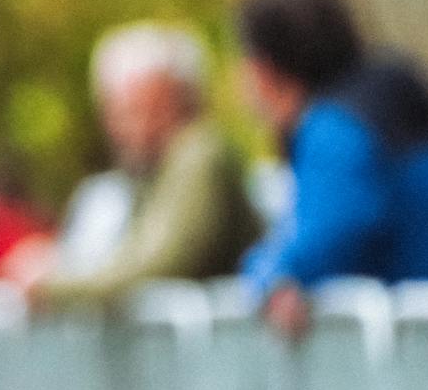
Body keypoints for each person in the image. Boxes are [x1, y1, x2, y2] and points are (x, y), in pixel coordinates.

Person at [235, 0, 428, 340]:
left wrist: (269, 273)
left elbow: (333, 228)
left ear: (265, 70)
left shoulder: (333, 127)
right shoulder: (387, 96)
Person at [18, 23, 260, 309]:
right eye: (121, 111)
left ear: (187, 101)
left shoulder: (199, 152)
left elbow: (161, 259)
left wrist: (53, 286)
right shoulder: (143, 175)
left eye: (149, 109)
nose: (134, 127)